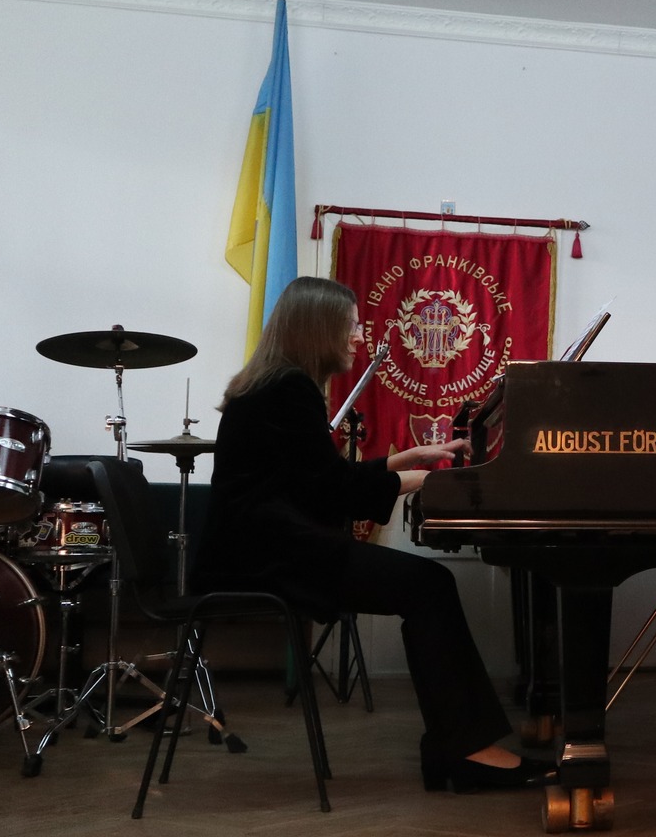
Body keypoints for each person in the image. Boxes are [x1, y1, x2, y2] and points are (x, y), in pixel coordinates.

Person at [194, 276, 545, 794]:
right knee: (429, 586)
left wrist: (408, 460)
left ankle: (454, 746)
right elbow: (333, 492)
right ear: (317, 329)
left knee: (428, 586)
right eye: (351, 325)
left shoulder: (271, 385)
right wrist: (430, 479)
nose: (359, 336)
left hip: (259, 551)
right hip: (271, 559)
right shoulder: (289, 390)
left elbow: (315, 480)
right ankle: (465, 751)